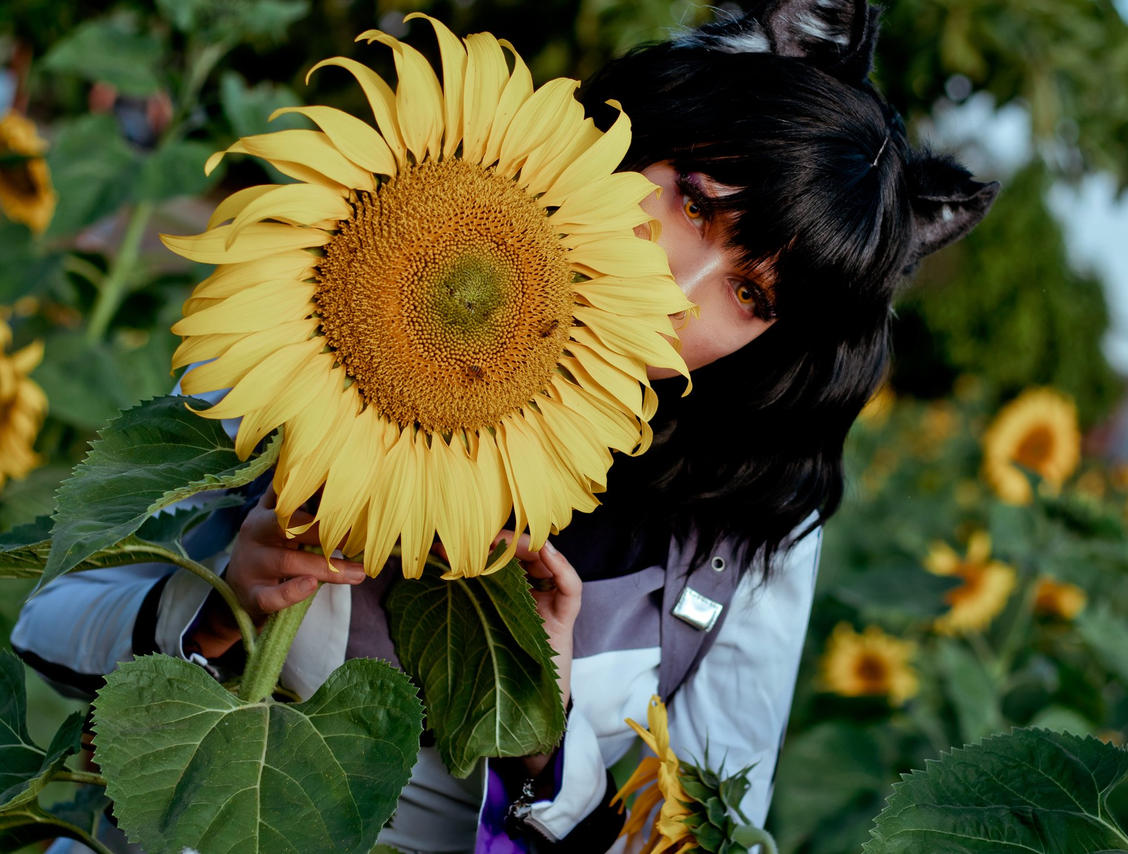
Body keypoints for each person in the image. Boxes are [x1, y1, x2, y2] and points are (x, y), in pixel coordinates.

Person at [12, 1, 997, 851]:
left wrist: (543, 737)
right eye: (691, 203)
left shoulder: (749, 528)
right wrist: (216, 607)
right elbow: (47, 618)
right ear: (635, 137)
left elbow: (711, 827)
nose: (677, 291)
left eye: (748, 294)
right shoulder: (357, 300)